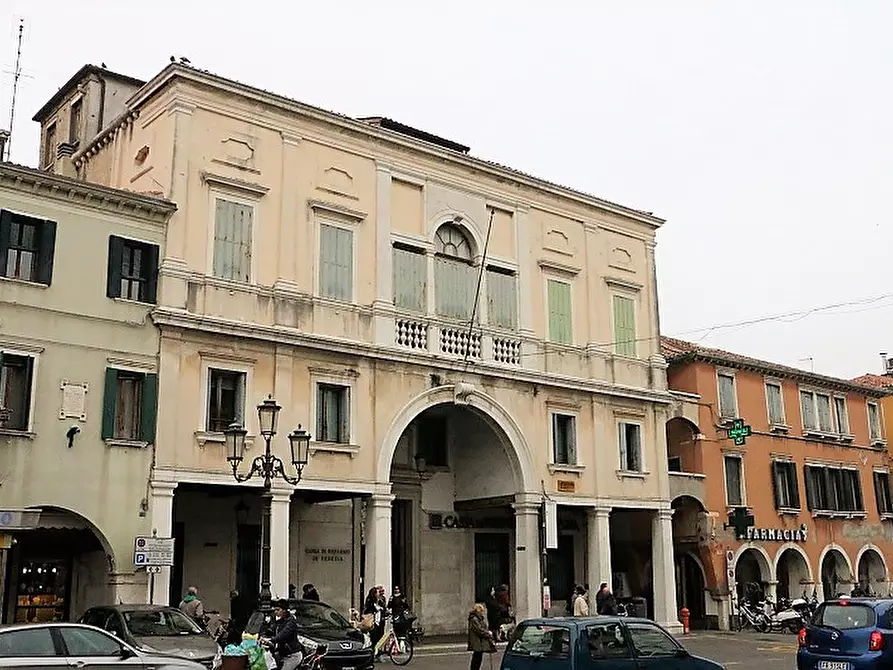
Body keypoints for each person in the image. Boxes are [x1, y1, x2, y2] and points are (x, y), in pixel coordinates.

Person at [265, 598, 302, 670]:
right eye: (275, 610)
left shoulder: (290, 622)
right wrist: (264, 635)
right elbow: (271, 630)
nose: (275, 612)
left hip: (292, 655)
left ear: (284, 610)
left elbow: (282, 635)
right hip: (282, 654)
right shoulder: (280, 621)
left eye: (278, 610)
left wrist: (271, 639)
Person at [467, 603, 496, 670]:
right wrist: (488, 633)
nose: (483, 613)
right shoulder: (474, 619)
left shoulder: (478, 618)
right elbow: (479, 630)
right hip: (477, 641)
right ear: (478, 611)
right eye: (481, 611)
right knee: (477, 657)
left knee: (478, 656)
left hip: (479, 641)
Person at [364, 587, 385, 661]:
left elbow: (383, 608)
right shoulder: (370, 601)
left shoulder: (380, 600)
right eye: (377, 592)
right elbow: (368, 609)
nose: (379, 593)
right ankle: (372, 655)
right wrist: (376, 609)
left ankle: (377, 654)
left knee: (379, 638)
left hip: (379, 622)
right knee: (374, 639)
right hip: (372, 622)